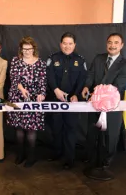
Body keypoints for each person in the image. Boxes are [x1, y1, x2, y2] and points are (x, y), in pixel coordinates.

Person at [81, 33, 126, 168]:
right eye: (110, 42)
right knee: (92, 132)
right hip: (94, 104)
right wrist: (86, 86)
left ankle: (107, 160)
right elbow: (91, 74)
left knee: (111, 135)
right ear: (106, 44)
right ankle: (91, 157)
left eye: (116, 42)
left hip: (112, 106)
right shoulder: (98, 58)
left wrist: (97, 93)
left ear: (121, 45)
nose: (112, 45)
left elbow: (116, 87)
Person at [46, 32, 87, 169]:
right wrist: (56, 90)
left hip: (72, 102)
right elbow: (49, 76)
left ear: (74, 45)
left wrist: (76, 95)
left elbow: (82, 80)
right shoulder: (53, 58)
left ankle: (70, 159)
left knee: (70, 129)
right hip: (55, 100)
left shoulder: (80, 60)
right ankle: (57, 153)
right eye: (65, 43)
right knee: (56, 128)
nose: (67, 46)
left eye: (70, 43)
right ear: (60, 44)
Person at [7, 36, 47, 168]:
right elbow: (13, 78)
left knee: (31, 130)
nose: (27, 51)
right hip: (18, 97)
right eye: (24, 49)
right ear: (21, 49)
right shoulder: (15, 61)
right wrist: (22, 89)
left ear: (34, 48)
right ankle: (20, 154)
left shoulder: (41, 63)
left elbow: (43, 81)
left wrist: (41, 93)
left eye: (29, 49)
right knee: (19, 129)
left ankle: (31, 156)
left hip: (34, 99)